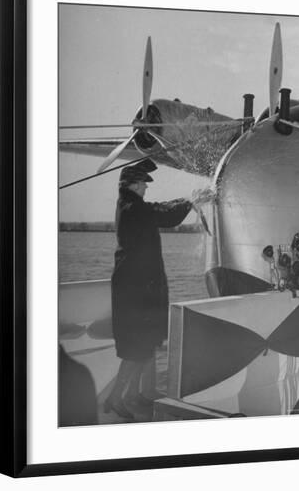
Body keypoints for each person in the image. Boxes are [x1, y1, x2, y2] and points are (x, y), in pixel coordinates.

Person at [104, 159, 213, 421]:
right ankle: (116, 398)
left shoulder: (133, 205)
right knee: (135, 349)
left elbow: (159, 208)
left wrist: (188, 199)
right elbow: (164, 215)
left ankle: (132, 394)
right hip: (134, 290)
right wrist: (190, 201)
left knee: (147, 344)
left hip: (142, 287)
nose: (145, 187)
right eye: (142, 183)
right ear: (129, 184)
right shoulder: (131, 208)